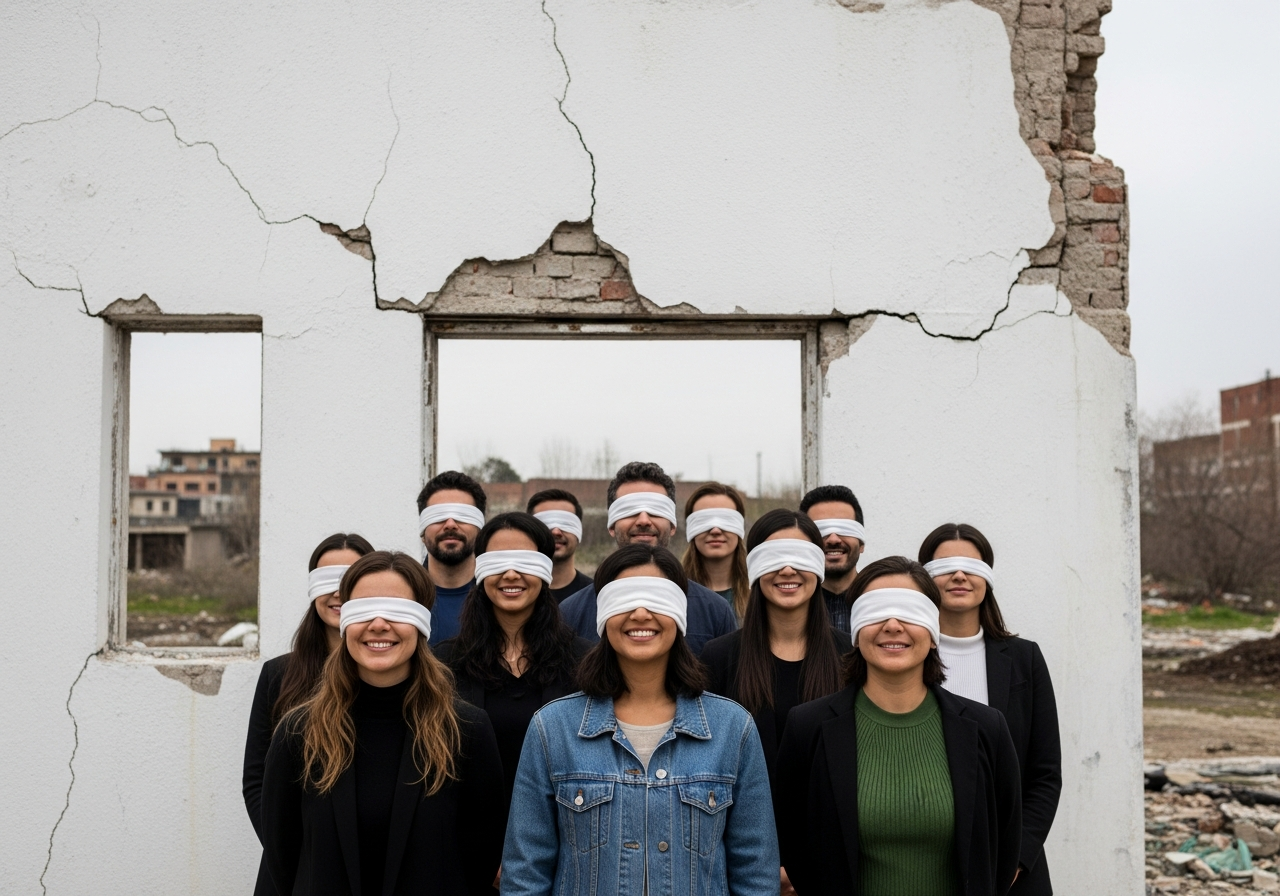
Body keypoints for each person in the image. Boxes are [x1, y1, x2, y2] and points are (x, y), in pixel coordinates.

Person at [499, 544, 779, 896]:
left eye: (657, 599)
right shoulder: (552, 728)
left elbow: (755, 871)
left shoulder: (732, 729)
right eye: (625, 599)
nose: (641, 613)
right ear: (603, 612)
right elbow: (526, 872)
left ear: (679, 612)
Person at [262, 550, 505, 896]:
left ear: (422, 622)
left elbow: (481, 854)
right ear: (344, 620)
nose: (379, 624)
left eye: (396, 611)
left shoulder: (466, 730)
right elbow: (282, 854)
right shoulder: (298, 732)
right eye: (364, 610)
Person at [774, 556, 1022, 896]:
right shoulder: (807, 728)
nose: (892, 625)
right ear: (856, 631)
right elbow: (791, 840)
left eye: (909, 611)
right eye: (876, 611)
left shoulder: (986, 729)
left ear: (933, 632)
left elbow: (1003, 847)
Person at [921, 523, 1062, 896]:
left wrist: (1018, 857)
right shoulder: (904, 655)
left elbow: (1045, 773)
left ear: (989, 577)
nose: (959, 575)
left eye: (972, 565)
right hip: (927, 854)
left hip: (1010, 861)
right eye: (946, 565)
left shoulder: (1023, 659)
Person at [433, 512, 593, 813]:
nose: (510, 574)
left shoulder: (583, 662)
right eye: (498, 561)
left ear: (546, 569)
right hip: (471, 835)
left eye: (524, 561)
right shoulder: (444, 665)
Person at [242, 532, 374, 896]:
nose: (338, 593)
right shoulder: (278, 675)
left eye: (350, 580)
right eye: (327, 580)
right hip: (295, 870)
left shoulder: (392, 675)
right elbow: (256, 778)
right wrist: (287, 853)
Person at [701, 509, 851, 774]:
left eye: (801, 557)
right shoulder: (719, 657)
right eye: (774, 557)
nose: (788, 569)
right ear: (754, 566)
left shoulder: (849, 655)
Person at [559, 461, 737, 654]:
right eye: (630, 510)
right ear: (611, 526)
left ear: (672, 525)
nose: (643, 520)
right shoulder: (571, 612)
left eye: (655, 510)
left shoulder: (715, 611)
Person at [417, 470, 487, 645]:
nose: (450, 524)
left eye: (463, 516)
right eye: (438, 516)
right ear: (422, 532)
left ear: (481, 529)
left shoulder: (502, 598)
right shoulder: (403, 596)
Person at [800, 484, 867, 633]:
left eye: (845, 529)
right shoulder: (784, 604)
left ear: (861, 543)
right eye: (821, 530)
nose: (833, 539)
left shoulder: (880, 601)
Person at [681, 481, 750, 619]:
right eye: (703, 521)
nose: (716, 530)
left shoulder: (763, 592)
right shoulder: (674, 591)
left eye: (726, 520)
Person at [527, 488, 592, 602]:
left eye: (566, 523)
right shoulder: (514, 593)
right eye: (545, 523)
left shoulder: (595, 595)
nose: (556, 532)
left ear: (579, 531)